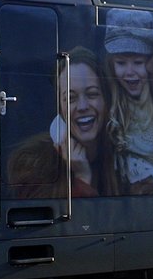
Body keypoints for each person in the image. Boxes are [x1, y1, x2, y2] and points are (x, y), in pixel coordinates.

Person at [7, 47, 118, 198]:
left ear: (106, 100)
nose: (83, 106)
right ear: (60, 108)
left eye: (92, 94)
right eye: (71, 98)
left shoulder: (123, 159)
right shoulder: (33, 163)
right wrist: (82, 178)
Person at [102, 10, 153, 194]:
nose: (129, 72)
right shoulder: (107, 96)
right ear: (111, 64)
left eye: (138, 62)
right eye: (121, 63)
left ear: (152, 62)